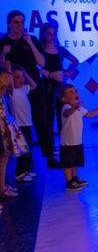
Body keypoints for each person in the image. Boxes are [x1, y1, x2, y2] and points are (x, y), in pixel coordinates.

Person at [0, 10, 60, 168]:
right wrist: (3, 54)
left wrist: (31, 44)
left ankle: (49, 157)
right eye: (16, 22)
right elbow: (2, 67)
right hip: (16, 90)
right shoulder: (4, 41)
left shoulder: (31, 39)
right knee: (21, 124)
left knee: (43, 121)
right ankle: (24, 162)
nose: (19, 25)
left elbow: (42, 62)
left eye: (21, 22)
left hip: (34, 86)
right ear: (9, 24)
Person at [58, 84, 98, 191]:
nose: (74, 93)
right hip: (67, 143)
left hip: (77, 141)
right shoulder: (66, 107)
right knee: (68, 163)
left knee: (75, 161)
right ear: (64, 99)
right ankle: (69, 182)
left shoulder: (79, 108)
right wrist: (74, 107)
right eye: (70, 92)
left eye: (74, 91)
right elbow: (67, 113)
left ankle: (74, 178)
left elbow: (90, 114)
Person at [38, 23, 79, 137]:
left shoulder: (60, 49)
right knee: (49, 115)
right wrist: (42, 71)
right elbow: (32, 65)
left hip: (62, 86)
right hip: (47, 85)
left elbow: (75, 61)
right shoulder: (40, 49)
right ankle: (50, 147)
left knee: (63, 113)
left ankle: (65, 143)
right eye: (49, 34)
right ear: (44, 35)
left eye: (54, 34)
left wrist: (68, 72)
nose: (52, 36)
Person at [0, 67, 28, 198]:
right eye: (6, 75)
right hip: (2, 128)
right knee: (3, 159)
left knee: (5, 159)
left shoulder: (4, 93)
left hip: (5, 126)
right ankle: (2, 189)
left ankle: (3, 186)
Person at [11, 65, 37, 182]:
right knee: (22, 150)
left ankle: (26, 171)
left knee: (28, 148)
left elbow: (34, 85)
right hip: (19, 125)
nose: (21, 79)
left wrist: (25, 73)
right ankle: (20, 173)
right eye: (17, 77)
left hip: (27, 124)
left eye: (22, 77)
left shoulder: (23, 89)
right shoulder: (11, 92)